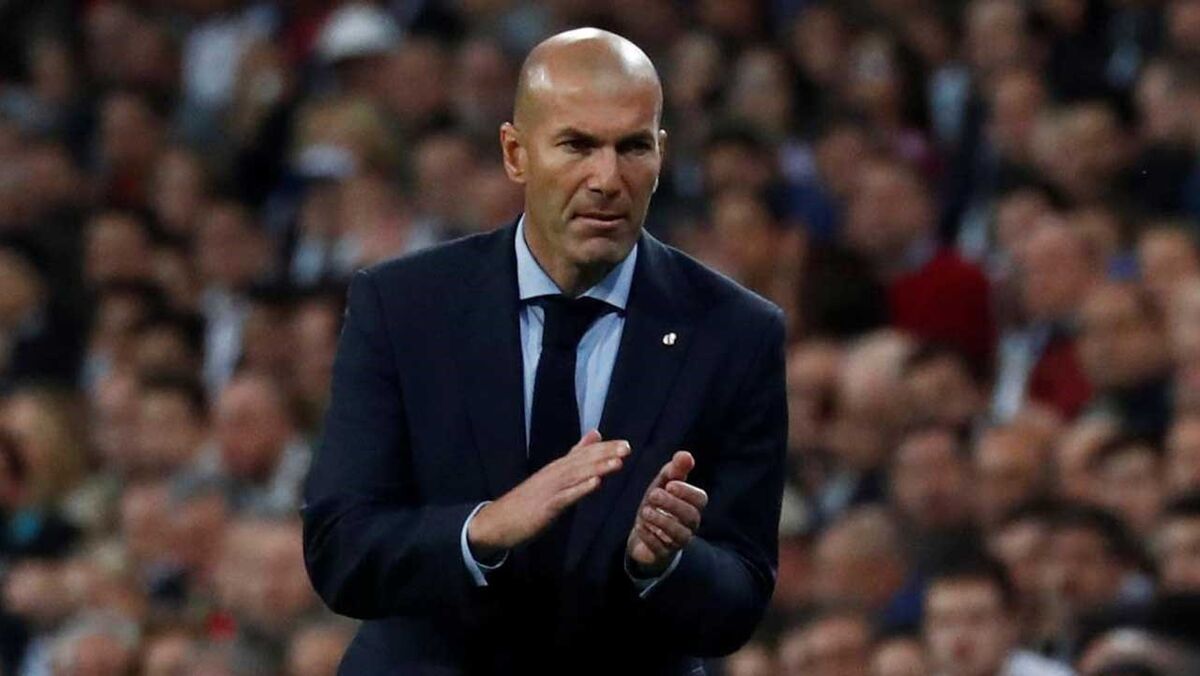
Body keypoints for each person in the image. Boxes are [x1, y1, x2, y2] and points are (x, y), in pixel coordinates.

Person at [301, 28, 787, 675]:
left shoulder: (735, 333)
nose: (607, 179)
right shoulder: (404, 307)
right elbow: (340, 547)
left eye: (633, 147)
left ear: (661, 154)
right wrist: (484, 528)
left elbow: (744, 592)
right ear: (516, 154)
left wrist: (665, 562)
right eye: (577, 145)